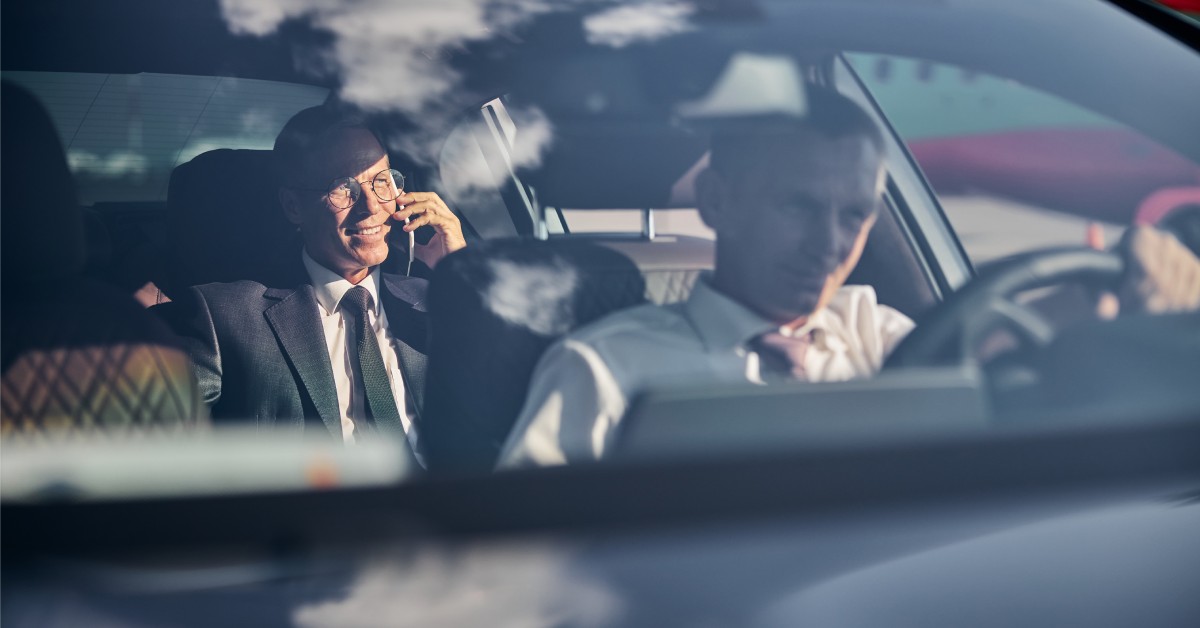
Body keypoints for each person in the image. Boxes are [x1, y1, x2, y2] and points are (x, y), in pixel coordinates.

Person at [498, 88, 912, 468]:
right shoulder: (602, 369)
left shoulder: (886, 340)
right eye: (798, 207)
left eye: (855, 215)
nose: (827, 244)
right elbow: (523, 543)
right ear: (717, 201)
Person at [158, 105, 466, 459]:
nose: (371, 206)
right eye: (343, 188)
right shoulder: (221, 317)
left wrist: (463, 275)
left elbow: (509, 402)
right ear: (293, 206)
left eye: (381, 181)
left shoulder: (439, 302)